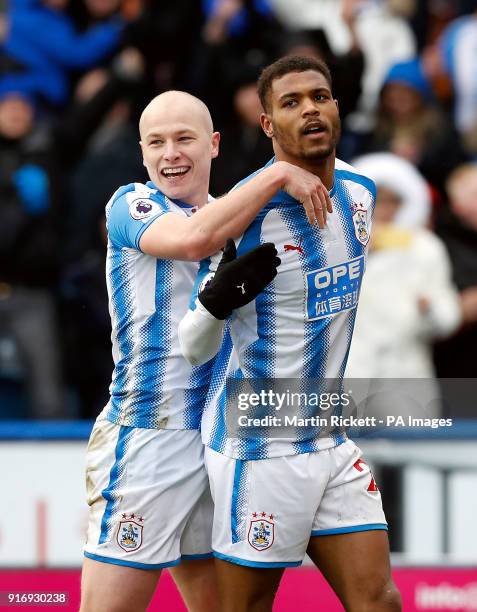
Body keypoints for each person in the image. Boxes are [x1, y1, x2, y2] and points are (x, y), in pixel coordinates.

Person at [80, 88, 332, 612]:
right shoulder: (131, 204)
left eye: (184, 138)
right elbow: (194, 240)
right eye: (156, 142)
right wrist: (280, 171)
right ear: (143, 154)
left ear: (213, 144)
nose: (170, 153)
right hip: (149, 434)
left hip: (218, 439)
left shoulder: (231, 216)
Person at [179, 56, 402, 611]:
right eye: (291, 103)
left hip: (327, 433)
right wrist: (216, 304)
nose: (310, 110)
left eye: (319, 97)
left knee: (380, 601)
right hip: (260, 441)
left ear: (337, 107)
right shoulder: (246, 211)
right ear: (268, 125)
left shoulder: (360, 193)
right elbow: (193, 345)